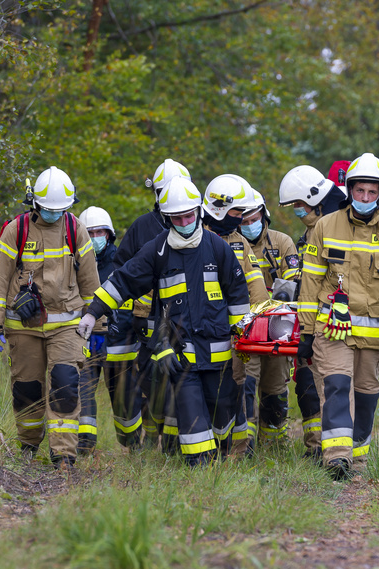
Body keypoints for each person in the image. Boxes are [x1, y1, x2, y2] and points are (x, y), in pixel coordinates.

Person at [78, 177, 251, 466]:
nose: (183, 222)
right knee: (192, 417)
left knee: (222, 412)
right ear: (167, 218)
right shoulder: (157, 250)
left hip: (219, 351)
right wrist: (93, 311)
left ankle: (223, 455)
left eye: (188, 215)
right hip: (179, 353)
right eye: (176, 218)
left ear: (198, 212)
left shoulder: (218, 249)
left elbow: (238, 296)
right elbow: (124, 280)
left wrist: (240, 339)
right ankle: (200, 471)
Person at [296, 153, 379, 480]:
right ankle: (336, 459)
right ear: (349, 190)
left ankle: (357, 459)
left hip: (373, 337)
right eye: (359, 191)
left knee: (366, 394)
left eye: (372, 192)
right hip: (333, 330)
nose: (365, 198)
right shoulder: (325, 226)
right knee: (337, 386)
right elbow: (310, 283)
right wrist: (307, 334)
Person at [0, 166, 100, 469]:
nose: (52, 215)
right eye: (47, 210)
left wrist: (98, 322)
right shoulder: (17, 230)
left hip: (67, 325)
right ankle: (28, 446)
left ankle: (64, 456)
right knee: (27, 389)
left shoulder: (75, 229)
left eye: (58, 210)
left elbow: (90, 281)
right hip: (24, 326)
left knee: (64, 384)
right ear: (34, 202)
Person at [106, 158, 192, 452]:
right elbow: (121, 271)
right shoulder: (143, 227)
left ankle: (171, 446)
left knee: (179, 378)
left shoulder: (195, 225)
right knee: (153, 381)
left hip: (182, 319)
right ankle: (149, 439)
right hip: (145, 321)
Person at [278, 163, 349, 461]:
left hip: (337, 320)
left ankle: (339, 452)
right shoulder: (311, 232)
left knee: (335, 385)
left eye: (299, 205)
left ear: (316, 200)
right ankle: (322, 447)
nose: (297, 211)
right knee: (314, 384)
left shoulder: (337, 224)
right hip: (315, 322)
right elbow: (305, 282)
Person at [201, 174, 269, 455]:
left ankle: (239, 451)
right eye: (236, 212)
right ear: (218, 208)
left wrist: (258, 322)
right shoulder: (195, 236)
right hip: (201, 329)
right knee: (204, 389)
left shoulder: (238, 241)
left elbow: (255, 284)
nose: (241, 218)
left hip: (234, 330)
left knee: (238, 385)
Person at [238, 189, 299, 445]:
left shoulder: (282, 242)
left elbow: (295, 282)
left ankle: (274, 446)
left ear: (264, 215)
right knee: (246, 386)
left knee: (275, 390)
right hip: (244, 330)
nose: (250, 225)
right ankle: (245, 447)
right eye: (244, 221)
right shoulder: (228, 244)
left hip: (277, 328)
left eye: (255, 218)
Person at [76, 206, 118, 455]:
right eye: (89, 232)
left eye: (100, 231)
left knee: (122, 395)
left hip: (116, 338)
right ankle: (85, 443)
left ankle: (132, 443)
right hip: (87, 337)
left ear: (109, 234)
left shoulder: (122, 261)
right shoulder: (75, 261)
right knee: (84, 388)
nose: (95, 237)